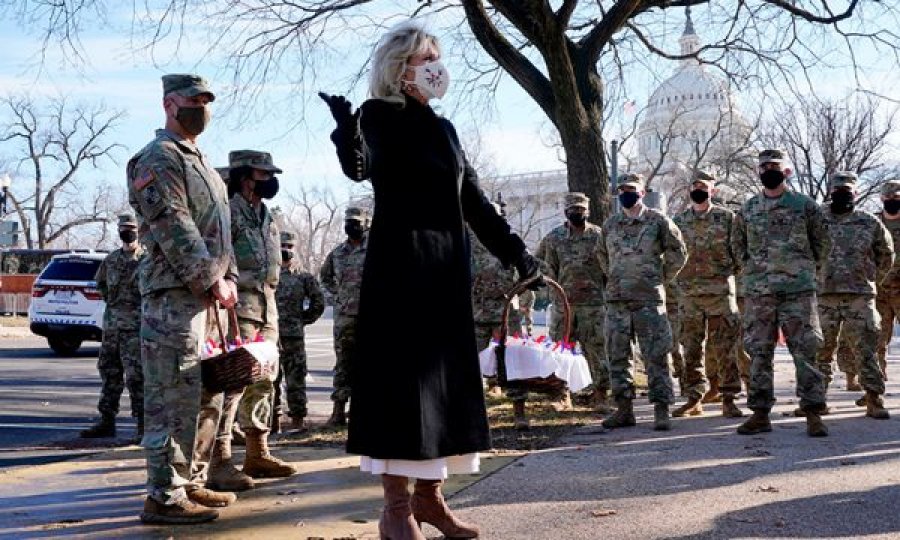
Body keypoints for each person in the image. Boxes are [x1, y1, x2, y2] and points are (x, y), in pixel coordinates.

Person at [321, 22, 541, 540]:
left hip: (446, 273)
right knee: (402, 389)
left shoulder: (444, 128)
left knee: (442, 391)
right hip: (400, 271)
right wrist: (345, 133)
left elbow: (475, 202)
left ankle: (431, 501)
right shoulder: (378, 117)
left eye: (437, 56)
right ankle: (395, 509)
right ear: (401, 69)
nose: (437, 66)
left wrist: (516, 252)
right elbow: (363, 169)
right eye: (427, 57)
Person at [128, 73, 238, 524]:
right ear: (169, 103)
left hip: (207, 297)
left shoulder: (201, 161)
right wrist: (212, 278)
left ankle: (190, 480)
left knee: (205, 392)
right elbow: (174, 224)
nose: (203, 107)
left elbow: (219, 231)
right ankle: (163, 495)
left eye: (207, 100)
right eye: (195, 100)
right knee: (171, 394)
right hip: (174, 297)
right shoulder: (157, 157)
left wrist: (226, 277)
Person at [204, 150, 297, 493]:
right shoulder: (225, 212)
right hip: (235, 309)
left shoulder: (266, 216)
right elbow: (214, 258)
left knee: (263, 380)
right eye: (264, 174)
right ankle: (220, 460)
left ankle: (257, 452)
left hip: (265, 308)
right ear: (246, 177)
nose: (271, 180)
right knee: (231, 384)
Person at [731, 149, 831, 437]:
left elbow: (822, 243)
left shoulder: (805, 206)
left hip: (797, 291)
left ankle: (813, 413)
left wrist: (805, 271)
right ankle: (760, 414)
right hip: (760, 293)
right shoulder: (748, 209)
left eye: (775, 166)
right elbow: (738, 247)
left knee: (806, 350)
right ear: (758, 172)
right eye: (764, 167)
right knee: (759, 353)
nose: (769, 171)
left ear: (786, 171)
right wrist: (752, 274)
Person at [598, 173, 687, 431]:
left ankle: (661, 410)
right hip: (617, 301)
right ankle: (624, 410)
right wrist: (616, 277)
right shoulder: (610, 224)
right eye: (622, 189)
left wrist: (658, 277)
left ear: (643, 191)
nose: (627, 193)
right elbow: (602, 256)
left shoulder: (658, 221)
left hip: (649, 300)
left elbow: (678, 253)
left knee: (656, 355)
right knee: (617, 355)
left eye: (632, 188)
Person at [806, 172, 891, 420]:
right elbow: (800, 249)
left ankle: (874, 399)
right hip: (823, 296)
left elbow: (886, 254)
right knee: (820, 350)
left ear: (856, 193)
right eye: (838, 190)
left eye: (848, 190)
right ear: (831, 192)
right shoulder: (815, 218)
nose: (842, 194)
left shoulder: (869, 222)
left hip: (859, 296)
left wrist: (871, 278)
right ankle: (816, 401)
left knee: (866, 349)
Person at [671, 170, 743, 418]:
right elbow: (670, 257)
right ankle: (694, 397)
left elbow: (741, 253)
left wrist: (724, 272)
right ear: (689, 190)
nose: (699, 190)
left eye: (704, 186)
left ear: (713, 191)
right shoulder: (678, 222)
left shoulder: (728, 219)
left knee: (725, 348)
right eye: (695, 186)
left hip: (720, 294)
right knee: (690, 349)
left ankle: (729, 397)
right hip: (689, 296)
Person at [536, 192, 610, 413]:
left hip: (594, 305)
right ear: (565, 211)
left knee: (597, 350)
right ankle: (561, 395)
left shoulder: (599, 235)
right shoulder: (554, 238)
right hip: (564, 306)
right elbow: (544, 266)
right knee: (560, 350)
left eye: (581, 209)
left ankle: (600, 395)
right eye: (573, 209)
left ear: (587, 211)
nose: (577, 213)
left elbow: (609, 267)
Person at [80, 214, 145, 441]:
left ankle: (143, 426)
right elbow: (102, 285)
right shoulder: (111, 260)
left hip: (136, 330)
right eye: (122, 228)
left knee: (137, 377)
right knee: (109, 373)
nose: (126, 232)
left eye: (130, 228)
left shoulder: (146, 259)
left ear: (139, 230)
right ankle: (106, 421)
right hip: (112, 328)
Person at [319, 206, 369, 427]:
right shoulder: (338, 253)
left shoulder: (377, 249)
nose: (351, 225)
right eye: (348, 221)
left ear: (366, 224)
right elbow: (325, 278)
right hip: (344, 317)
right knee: (343, 364)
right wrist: (337, 296)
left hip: (371, 317)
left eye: (356, 222)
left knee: (369, 363)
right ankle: (338, 410)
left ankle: (364, 412)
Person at [275, 230, 326, 433]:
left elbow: (318, 302)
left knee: (295, 379)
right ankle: (273, 422)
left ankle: (297, 420)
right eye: (282, 246)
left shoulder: (304, 277)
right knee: (270, 381)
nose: (285, 250)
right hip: (271, 336)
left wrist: (304, 319)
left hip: (294, 337)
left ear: (294, 249)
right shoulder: (268, 273)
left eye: (289, 246)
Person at [875, 179, 900, 384]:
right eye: (888, 197)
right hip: (879, 291)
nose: (892, 201)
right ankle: (876, 383)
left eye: (897, 198)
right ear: (882, 198)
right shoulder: (872, 224)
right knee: (877, 339)